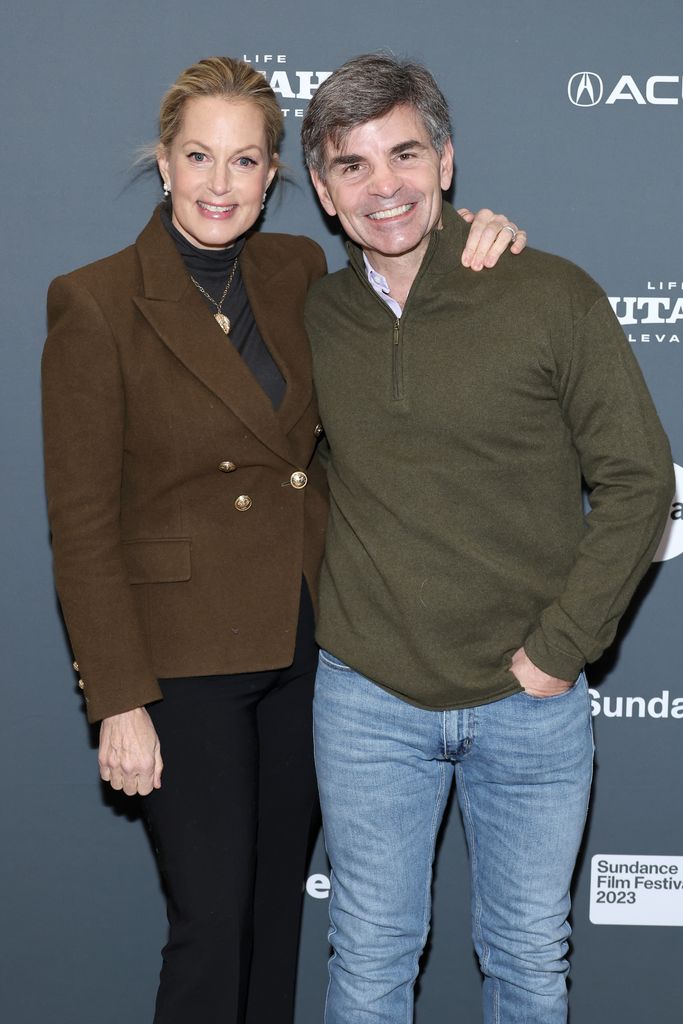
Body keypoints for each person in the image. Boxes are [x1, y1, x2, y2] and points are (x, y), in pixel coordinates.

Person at [41, 56, 525, 1024]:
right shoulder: (94, 301)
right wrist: (119, 700)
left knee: (272, 914)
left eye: (245, 161)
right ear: (164, 164)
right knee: (212, 921)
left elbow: (407, 291)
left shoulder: (294, 267)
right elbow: (82, 524)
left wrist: (483, 231)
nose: (220, 184)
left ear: (274, 178)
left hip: (307, 646)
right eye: (198, 157)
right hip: (182, 661)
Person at [301, 53, 674, 1024]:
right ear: (320, 189)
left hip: (528, 705)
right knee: (370, 957)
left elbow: (638, 482)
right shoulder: (305, 312)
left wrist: (557, 651)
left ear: (447, 161)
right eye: (352, 165)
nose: (383, 185)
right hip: (367, 698)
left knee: (525, 960)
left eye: (404, 154)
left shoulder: (546, 292)